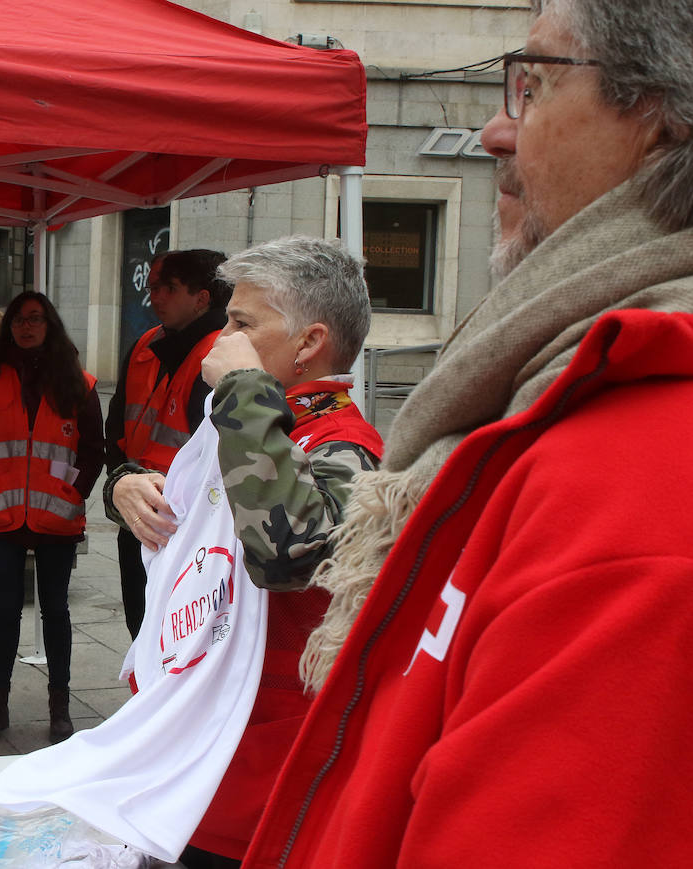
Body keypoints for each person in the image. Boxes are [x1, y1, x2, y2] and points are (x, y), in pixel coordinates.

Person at [241, 2, 693, 867]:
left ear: (664, 114)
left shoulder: (632, 486)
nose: (493, 131)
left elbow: (284, 544)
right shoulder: (546, 413)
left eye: (532, 83)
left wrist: (237, 405)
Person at [106, 237, 382, 868]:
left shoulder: (342, 442)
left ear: (309, 343)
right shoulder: (253, 420)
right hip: (201, 752)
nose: (219, 341)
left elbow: (288, 550)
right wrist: (124, 483)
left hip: (262, 777)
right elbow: (187, 492)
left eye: (242, 324)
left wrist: (241, 391)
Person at [0, 292, 105, 744]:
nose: (26, 327)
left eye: (35, 319)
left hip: (56, 516)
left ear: (50, 324)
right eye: (19, 320)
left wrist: (72, 493)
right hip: (0, 513)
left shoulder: (78, 382)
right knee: (5, 610)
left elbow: (93, 449)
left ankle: (59, 706)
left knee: (56, 611)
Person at [105, 249, 231, 638]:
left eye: (168, 288)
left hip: (189, 526)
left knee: (178, 636)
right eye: (152, 287)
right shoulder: (145, 344)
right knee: (140, 628)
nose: (155, 297)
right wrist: (122, 485)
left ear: (202, 297)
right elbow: (115, 427)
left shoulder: (221, 352)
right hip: (139, 511)